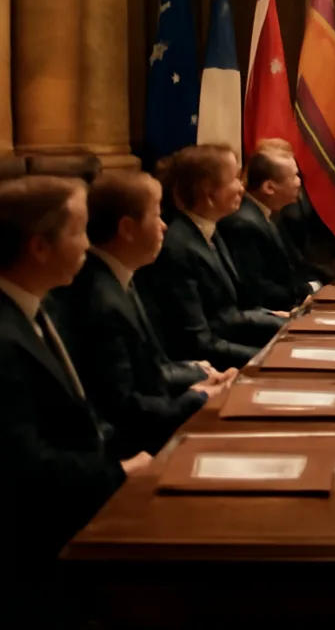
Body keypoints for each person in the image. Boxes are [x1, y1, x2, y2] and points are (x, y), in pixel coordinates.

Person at [0, 176, 150, 574]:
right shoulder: (5, 337)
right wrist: (118, 471)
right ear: (39, 247)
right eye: (79, 232)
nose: (88, 244)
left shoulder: (41, 304)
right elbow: (25, 465)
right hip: (41, 538)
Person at [50, 172, 235, 457]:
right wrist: (197, 397)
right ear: (127, 228)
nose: (164, 226)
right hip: (135, 450)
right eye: (157, 216)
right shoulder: (101, 299)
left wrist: (197, 380)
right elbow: (123, 407)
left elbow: (149, 370)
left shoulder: (120, 277)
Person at [136, 144, 286, 369]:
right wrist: (267, 357)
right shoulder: (178, 247)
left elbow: (227, 314)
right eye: (235, 178)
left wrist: (283, 322)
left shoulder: (207, 230)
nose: (242, 188)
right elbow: (196, 342)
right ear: (208, 192)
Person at [218, 140, 318, 310]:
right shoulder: (243, 224)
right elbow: (257, 288)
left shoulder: (264, 214)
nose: (299, 183)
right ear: (269, 187)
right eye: (294, 176)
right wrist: (309, 289)